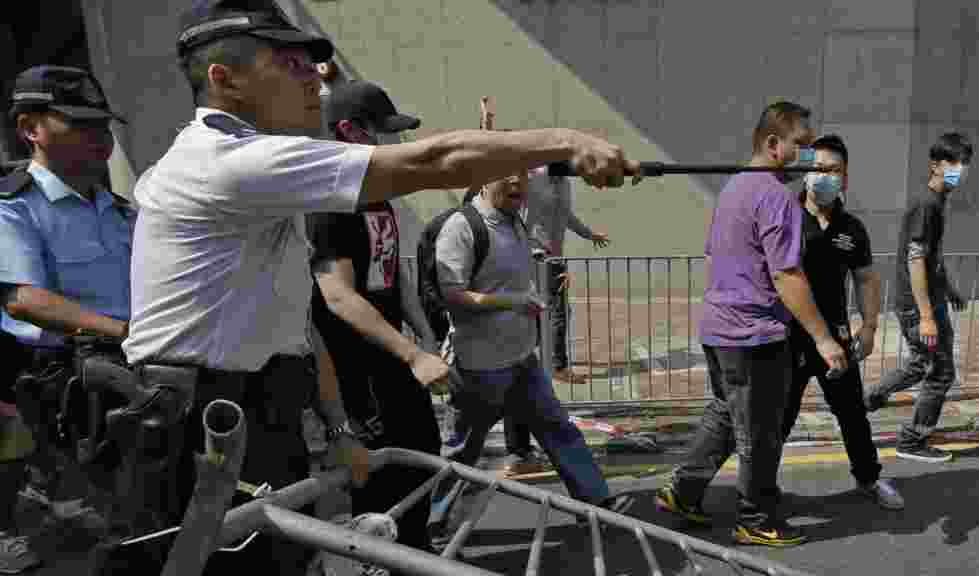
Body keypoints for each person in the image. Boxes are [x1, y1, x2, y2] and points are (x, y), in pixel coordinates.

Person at [120, 1, 638, 573]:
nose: (313, 79)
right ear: (226, 78)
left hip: (259, 410)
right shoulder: (225, 162)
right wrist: (565, 140)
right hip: (200, 421)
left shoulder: (268, 186)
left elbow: (295, 328)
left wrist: (338, 427)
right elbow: (437, 160)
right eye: (290, 62)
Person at [654, 101, 847, 547]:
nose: (808, 157)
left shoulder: (735, 188)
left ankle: (682, 493)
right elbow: (787, 274)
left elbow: (715, 253)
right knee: (760, 431)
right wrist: (823, 338)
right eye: (801, 145)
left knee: (726, 414)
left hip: (720, 328)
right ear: (774, 144)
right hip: (754, 334)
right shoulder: (776, 196)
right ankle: (756, 519)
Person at [429, 168, 635, 549]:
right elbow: (452, 294)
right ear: (485, 177)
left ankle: (597, 505)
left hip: (522, 360)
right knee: (461, 453)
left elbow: (515, 272)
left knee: (559, 429)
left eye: (523, 175)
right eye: (506, 174)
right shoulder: (462, 227)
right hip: (480, 367)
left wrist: (549, 268)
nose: (517, 183)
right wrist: (512, 301)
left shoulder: (516, 224)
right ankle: (433, 525)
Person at [0, 65, 134, 573]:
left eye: (102, 122)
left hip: (134, 381)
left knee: (141, 524)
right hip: (64, 392)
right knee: (79, 535)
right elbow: (24, 299)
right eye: (77, 121)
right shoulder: (14, 206)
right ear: (31, 129)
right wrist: (123, 333)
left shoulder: (121, 211)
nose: (99, 134)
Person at [307, 80, 445, 559]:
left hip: (394, 360)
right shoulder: (329, 203)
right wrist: (411, 352)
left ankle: (415, 550)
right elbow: (339, 297)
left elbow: (390, 273)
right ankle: (378, 562)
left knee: (424, 454)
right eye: (380, 133)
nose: (389, 144)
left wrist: (424, 335)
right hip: (356, 369)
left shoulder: (375, 195)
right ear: (349, 131)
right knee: (375, 473)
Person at [776, 134, 903, 509]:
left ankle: (869, 479)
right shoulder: (783, 216)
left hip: (836, 338)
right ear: (805, 173)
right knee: (779, 418)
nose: (824, 176)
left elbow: (866, 279)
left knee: (852, 414)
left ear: (845, 178)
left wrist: (869, 327)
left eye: (834, 171)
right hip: (789, 336)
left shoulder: (852, 228)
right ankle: (761, 485)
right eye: (818, 168)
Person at [864, 132, 972, 463]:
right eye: (953, 162)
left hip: (929, 300)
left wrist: (948, 288)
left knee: (921, 364)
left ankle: (866, 401)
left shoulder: (936, 202)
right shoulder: (926, 204)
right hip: (919, 305)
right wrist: (926, 314)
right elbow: (915, 259)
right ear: (935, 165)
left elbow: (930, 257)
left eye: (965, 163)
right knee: (939, 372)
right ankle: (912, 441)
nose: (960, 170)